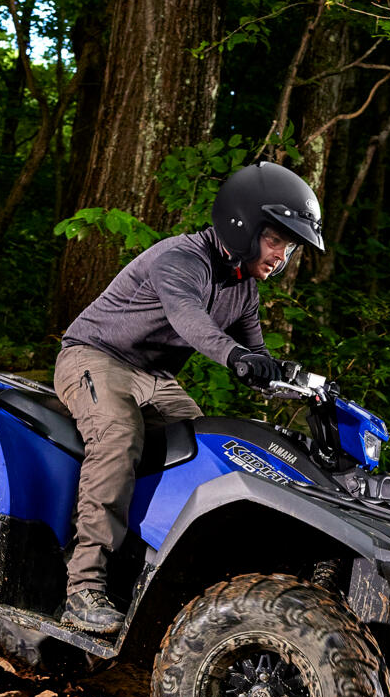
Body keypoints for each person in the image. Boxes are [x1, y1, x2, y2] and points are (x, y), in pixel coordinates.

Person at [55, 161, 325, 634]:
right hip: (96, 357)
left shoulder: (244, 287)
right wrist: (236, 357)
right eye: (276, 240)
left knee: (204, 452)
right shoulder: (180, 259)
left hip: (156, 377)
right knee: (118, 437)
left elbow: (255, 355)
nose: (281, 257)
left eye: (289, 248)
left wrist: (293, 380)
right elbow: (191, 322)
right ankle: (83, 587)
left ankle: (152, 573)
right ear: (243, 225)